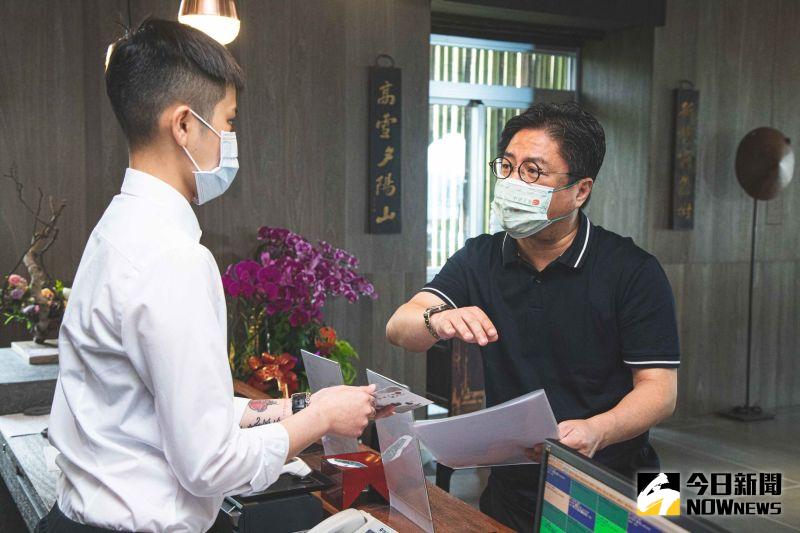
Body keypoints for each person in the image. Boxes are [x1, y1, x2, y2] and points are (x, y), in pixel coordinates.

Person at [38, 19, 377, 532]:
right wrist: (322, 420)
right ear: (183, 125)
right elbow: (210, 463)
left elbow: (186, 407)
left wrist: (305, 404)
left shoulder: (118, 226)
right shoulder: (173, 257)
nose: (231, 139)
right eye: (228, 121)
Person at [386, 102, 679, 531]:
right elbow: (399, 326)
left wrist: (598, 430)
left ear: (581, 190)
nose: (512, 183)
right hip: (514, 485)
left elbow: (660, 391)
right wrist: (436, 320)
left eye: (533, 172)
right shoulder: (480, 257)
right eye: (506, 166)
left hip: (620, 482)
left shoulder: (633, 270)